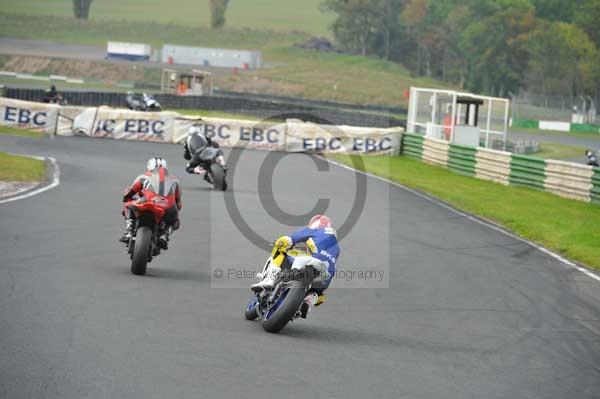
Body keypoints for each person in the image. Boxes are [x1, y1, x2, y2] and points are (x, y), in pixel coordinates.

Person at [251, 215, 340, 318]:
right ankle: (308, 301)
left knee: (280, 246)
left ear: (315, 224)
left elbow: (290, 239)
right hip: (327, 273)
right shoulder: (336, 246)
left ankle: (270, 279)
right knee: (319, 293)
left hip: (308, 261)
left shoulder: (315, 230)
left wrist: (282, 243)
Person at [119, 158, 182, 249]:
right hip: (167, 206)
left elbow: (129, 193)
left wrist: (126, 198)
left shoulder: (143, 176)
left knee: (128, 206)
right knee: (175, 221)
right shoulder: (176, 180)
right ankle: (165, 235)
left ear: (150, 166)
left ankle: (129, 231)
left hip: (146, 201)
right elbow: (179, 204)